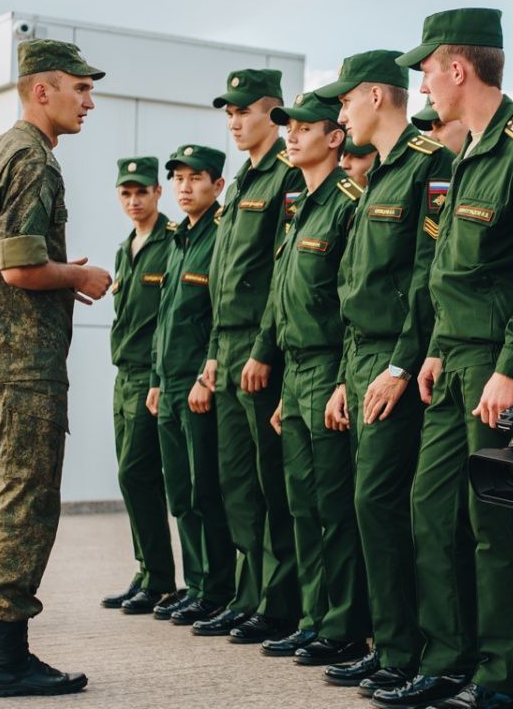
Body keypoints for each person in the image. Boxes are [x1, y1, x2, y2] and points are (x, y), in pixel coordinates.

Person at [391, 7, 513, 709]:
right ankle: (446, 658)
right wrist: (432, 350)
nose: (423, 84)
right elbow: (449, 272)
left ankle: (502, 677)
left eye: (427, 69)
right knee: (431, 514)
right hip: (452, 362)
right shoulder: (467, 155)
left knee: (495, 529)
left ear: (458, 69)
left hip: (493, 363)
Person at [0, 39, 110, 697]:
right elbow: (18, 267)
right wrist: (81, 275)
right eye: (81, 88)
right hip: (23, 366)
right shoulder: (33, 162)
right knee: (23, 501)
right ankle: (10, 659)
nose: (89, 101)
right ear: (42, 90)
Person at [312, 50, 452, 695]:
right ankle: (392, 645)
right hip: (363, 356)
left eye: (345, 101)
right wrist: (347, 373)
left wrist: (398, 363)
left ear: (373, 96)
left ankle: (422, 651)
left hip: (401, 358)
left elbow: (426, 276)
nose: (340, 114)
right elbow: (355, 286)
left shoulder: (430, 166)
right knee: (372, 507)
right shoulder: (381, 177)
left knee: (388, 505)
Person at [248, 91, 372, 666]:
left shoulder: (349, 203)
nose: (291, 137)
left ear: (335, 137)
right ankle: (313, 616)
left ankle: (343, 624)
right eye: (287, 128)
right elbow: (282, 295)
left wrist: (343, 378)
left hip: (327, 366)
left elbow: (352, 303)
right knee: (300, 503)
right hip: (297, 372)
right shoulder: (303, 205)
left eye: (303, 128)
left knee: (332, 503)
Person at [197, 70, 305, 645]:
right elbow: (225, 278)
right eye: (229, 113)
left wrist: (262, 348)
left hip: (265, 349)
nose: (235, 122)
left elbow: (279, 276)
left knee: (272, 484)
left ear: (275, 114)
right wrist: (216, 352)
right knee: (238, 482)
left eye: (245, 111)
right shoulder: (241, 182)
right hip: (230, 344)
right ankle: (251, 594)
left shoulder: (287, 176)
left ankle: (280, 601)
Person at [145, 145, 237, 628]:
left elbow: (220, 312)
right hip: (170, 384)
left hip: (201, 383)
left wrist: (208, 372)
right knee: (180, 490)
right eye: (178, 178)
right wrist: (158, 379)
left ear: (218, 186)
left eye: (195, 178)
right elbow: (166, 318)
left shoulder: (221, 234)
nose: (184, 187)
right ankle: (196, 583)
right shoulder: (178, 238)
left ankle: (218, 588)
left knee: (206, 491)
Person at [103, 157, 178, 616]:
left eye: (141, 193)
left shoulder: (171, 242)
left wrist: (157, 376)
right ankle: (148, 570)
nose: (134, 201)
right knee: (131, 479)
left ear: (157, 193)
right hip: (123, 374)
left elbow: (167, 318)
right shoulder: (125, 246)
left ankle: (162, 579)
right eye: (125, 194)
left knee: (140, 474)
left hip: (151, 377)